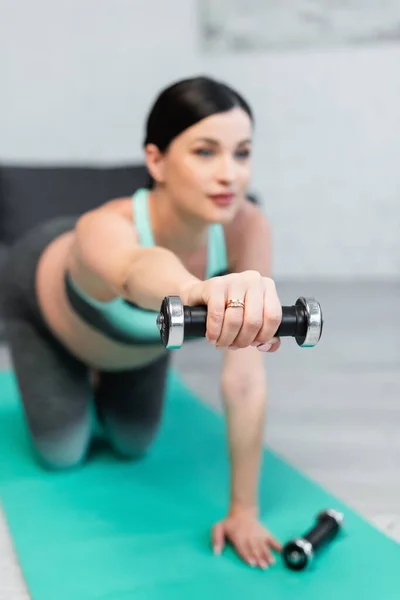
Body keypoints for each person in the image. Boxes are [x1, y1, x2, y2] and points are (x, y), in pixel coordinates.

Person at [1, 75, 284, 570]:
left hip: (135, 340)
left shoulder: (246, 228)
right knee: (62, 453)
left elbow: (244, 376)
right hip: (45, 312)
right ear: (156, 160)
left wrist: (245, 509)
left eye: (241, 153)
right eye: (204, 152)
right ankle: (71, 371)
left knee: (133, 444)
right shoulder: (106, 227)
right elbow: (135, 272)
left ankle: (106, 373)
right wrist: (197, 291)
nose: (229, 175)